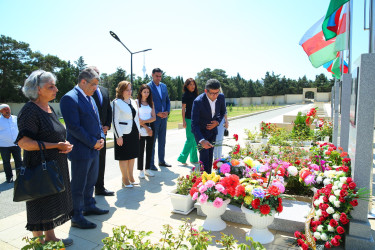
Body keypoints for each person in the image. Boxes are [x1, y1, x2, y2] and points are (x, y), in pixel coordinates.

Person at [15, 70, 73, 246]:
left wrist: (64, 143)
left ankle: (51, 238)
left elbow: (53, 134)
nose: (56, 89)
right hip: (39, 167)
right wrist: (56, 146)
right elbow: (24, 143)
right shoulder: (30, 111)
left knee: (51, 201)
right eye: (51, 86)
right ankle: (39, 243)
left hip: (54, 164)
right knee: (39, 203)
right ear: (37, 89)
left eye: (55, 85)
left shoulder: (48, 107)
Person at [60, 67, 108, 230]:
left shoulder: (90, 97)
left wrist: (101, 137)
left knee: (91, 182)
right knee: (79, 185)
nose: (96, 88)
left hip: (94, 148)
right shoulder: (69, 98)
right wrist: (92, 142)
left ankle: (89, 205)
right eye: (94, 84)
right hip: (81, 150)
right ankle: (76, 216)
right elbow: (74, 127)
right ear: (82, 82)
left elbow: (97, 121)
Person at [191, 79, 226, 174]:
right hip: (201, 134)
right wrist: (202, 140)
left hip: (213, 132)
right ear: (206, 91)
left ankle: (208, 179)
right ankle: (203, 181)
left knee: (210, 157)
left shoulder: (221, 97)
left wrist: (217, 122)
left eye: (217, 93)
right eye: (212, 93)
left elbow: (223, 112)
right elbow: (194, 124)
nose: (215, 96)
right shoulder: (198, 102)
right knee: (204, 158)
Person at [89, 66, 114, 197]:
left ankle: (100, 188)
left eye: (98, 73)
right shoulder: (86, 91)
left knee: (101, 161)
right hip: (89, 135)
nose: (96, 76)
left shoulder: (104, 90)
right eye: (93, 74)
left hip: (102, 134)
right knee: (89, 164)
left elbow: (108, 110)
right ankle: (87, 193)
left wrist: (107, 126)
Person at [112, 81, 141, 188]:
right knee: (124, 157)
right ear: (121, 91)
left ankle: (131, 177)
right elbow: (114, 120)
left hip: (133, 132)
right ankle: (124, 179)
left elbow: (136, 118)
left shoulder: (133, 102)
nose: (130, 92)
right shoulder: (116, 102)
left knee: (132, 155)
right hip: (123, 133)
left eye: (130, 89)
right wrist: (118, 136)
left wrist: (138, 131)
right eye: (127, 90)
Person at [147, 68, 171, 171]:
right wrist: (157, 113)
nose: (158, 78)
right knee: (152, 142)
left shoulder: (164, 86)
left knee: (162, 140)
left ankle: (161, 161)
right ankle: (151, 164)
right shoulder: (148, 86)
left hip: (164, 119)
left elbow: (167, 101)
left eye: (160, 76)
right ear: (152, 75)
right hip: (153, 119)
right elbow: (147, 102)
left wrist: (167, 111)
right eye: (157, 76)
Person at [177, 78, 199, 165]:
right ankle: (182, 158)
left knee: (195, 140)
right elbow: (183, 108)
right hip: (188, 119)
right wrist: (183, 121)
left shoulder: (195, 94)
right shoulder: (185, 95)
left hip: (196, 119)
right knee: (190, 139)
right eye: (190, 84)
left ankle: (193, 159)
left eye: (194, 84)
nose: (193, 86)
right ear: (187, 86)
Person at [136, 84, 156, 179]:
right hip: (140, 128)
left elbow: (154, 117)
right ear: (141, 92)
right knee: (140, 150)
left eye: (148, 92)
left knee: (149, 149)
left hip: (151, 128)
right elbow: (137, 118)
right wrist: (145, 126)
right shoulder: (136, 102)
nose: (146, 94)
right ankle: (141, 171)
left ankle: (147, 169)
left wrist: (147, 125)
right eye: (144, 92)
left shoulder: (151, 103)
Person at [0, 104, 22, 183]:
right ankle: (9, 177)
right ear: (1, 111)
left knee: (19, 161)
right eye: (5, 109)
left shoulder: (15, 118)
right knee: (6, 162)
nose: (7, 110)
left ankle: (20, 176)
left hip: (16, 144)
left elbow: (20, 129)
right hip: (4, 146)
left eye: (8, 109)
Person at [213, 88, 229, 160]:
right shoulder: (208, 96)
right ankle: (215, 157)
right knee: (213, 141)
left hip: (220, 121)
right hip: (211, 120)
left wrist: (226, 121)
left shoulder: (221, 96)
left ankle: (218, 158)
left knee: (219, 140)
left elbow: (224, 110)